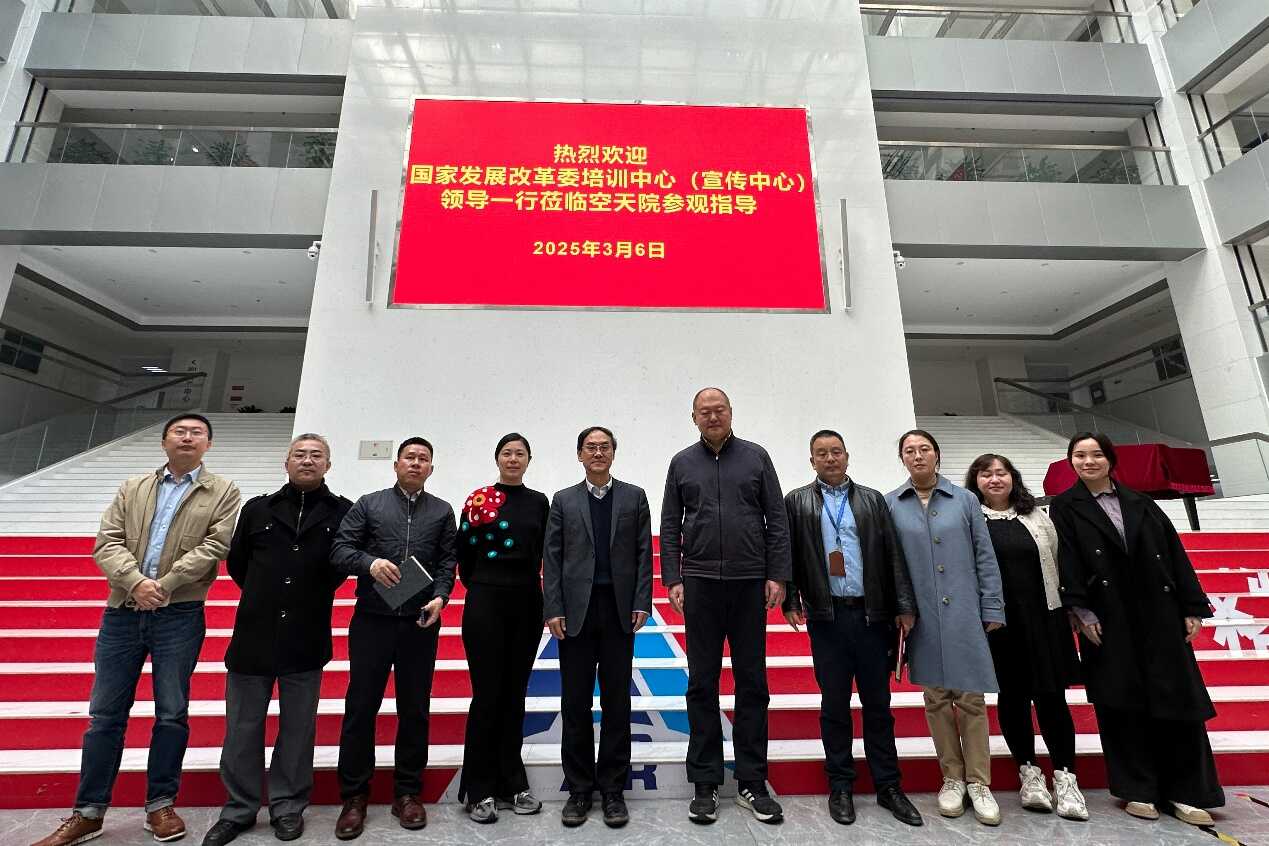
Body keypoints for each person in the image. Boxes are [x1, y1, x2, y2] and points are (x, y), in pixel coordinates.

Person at [32, 414, 240, 846]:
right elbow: (107, 541)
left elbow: (216, 546)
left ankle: (160, 805)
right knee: (105, 715)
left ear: (209, 444)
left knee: (172, 712)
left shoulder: (223, 491)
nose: (187, 437)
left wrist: (164, 585)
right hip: (122, 612)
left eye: (197, 433)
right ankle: (88, 812)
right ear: (164, 441)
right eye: (180, 431)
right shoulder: (133, 487)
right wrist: (136, 583)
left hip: (179, 613)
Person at [1049, 432, 1223, 826]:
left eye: (1096, 454)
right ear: (1071, 461)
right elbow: (1067, 559)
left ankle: (1187, 792)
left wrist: (1191, 606)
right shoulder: (1065, 506)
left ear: (1110, 459)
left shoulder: (1141, 502)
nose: (1088, 462)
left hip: (1158, 613)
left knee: (1177, 700)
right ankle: (1138, 789)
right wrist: (1081, 610)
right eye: (1079, 455)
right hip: (1107, 617)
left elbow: (1173, 552)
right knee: (1121, 703)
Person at [202, 434, 353, 846]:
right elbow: (239, 564)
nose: (307, 460)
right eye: (299, 454)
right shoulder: (257, 509)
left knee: (298, 729)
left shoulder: (343, 512)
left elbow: (342, 566)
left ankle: (288, 807)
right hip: (254, 633)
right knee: (242, 728)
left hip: (306, 634)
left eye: (316, 455)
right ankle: (239, 809)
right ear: (286, 462)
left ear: (328, 465)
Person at [661, 387, 790, 825]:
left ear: (731, 413)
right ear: (693, 418)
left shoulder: (756, 457)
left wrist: (777, 574)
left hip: (749, 582)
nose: (712, 416)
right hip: (700, 584)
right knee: (702, 682)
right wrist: (673, 578)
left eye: (719, 410)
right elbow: (670, 524)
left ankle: (753, 781)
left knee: (752, 682)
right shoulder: (682, 462)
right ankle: (705, 782)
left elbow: (776, 518)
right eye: (705, 411)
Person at [782, 430, 923, 827]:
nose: (830, 458)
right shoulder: (797, 502)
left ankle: (889, 786)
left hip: (871, 616)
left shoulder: (873, 500)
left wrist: (904, 606)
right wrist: (791, 599)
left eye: (836, 452)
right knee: (834, 705)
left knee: (879, 705)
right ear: (811, 461)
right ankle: (841, 785)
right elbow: (788, 553)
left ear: (847, 456)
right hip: (827, 618)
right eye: (821, 453)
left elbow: (892, 554)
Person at [330, 437, 458, 840]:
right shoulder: (369, 504)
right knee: (361, 707)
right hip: (372, 620)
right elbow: (340, 549)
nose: (416, 463)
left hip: (420, 622)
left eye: (423, 459)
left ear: (431, 468)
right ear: (396, 464)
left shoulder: (442, 511)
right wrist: (369, 563)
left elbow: (447, 561)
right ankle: (354, 796)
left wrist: (441, 596)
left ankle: (408, 793)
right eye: (409, 457)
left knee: (415, 708)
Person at [885, 429, 1005, 826]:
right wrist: (899, 609)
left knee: (970, 697)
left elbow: (984, 555)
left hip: (964, 610)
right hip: (920, 615)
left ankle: (979, 782)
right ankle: (952, 777)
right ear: (902, 458)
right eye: (910, 451)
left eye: (924, 449)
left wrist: (992, 604)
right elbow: (890, 564)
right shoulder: (891, 504)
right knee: (936, 698)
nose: (918, 456)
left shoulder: (965, 500)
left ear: (937, 454)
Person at [965, 453, 1087, 821]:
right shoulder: (971, 519)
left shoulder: (1036, 516)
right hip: (1001, 624)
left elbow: (1059, 559)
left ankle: (1065, 777)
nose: (994, 479)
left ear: (1013, 478)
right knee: (1013, 697)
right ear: (975, 482)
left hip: (1044, 618)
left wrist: (1072, 607)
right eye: (986, 474)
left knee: (1052, 698)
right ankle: (1029, 773)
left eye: (1001, 473)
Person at [543, 426, 654, 828]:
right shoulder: (563, 500)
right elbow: (552, 557)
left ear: (613, 454)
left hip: (618, 611)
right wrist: (553, 607)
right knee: (574, 702)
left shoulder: (634, 497)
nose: (597, 453)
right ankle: (578, 790)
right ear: (579, 455)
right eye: (590, 447)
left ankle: (612, 790)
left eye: (604, 447)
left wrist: (642, 601)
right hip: (576, 613)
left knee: (616, 702)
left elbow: (644, 553)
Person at [456, 433, 551, 823]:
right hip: (486, 600)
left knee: (515, 696)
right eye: (507, 453)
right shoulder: (478, 499)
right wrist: (487, 583)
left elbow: (546, 551)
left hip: (527, 602)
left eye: (520, 453)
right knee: (487, 696)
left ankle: (513, 783)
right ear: (497, 458)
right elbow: (464, 553)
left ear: (529, 460)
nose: (513, 459)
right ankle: (478, 788)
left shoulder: (539, 502)